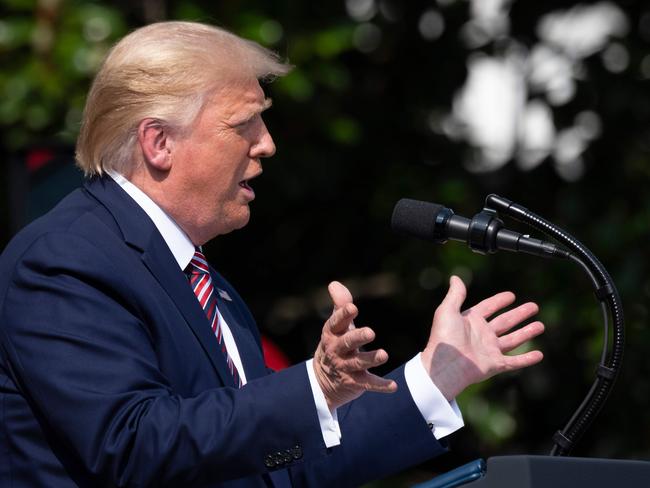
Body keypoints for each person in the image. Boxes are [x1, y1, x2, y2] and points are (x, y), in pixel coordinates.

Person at [0, 21, 544, 488]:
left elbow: (278, 470)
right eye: (242, 125)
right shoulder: (63, 261)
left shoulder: (200, 278)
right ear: (159, 142)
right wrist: (316, 386)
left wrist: (433, 377)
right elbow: (132, 445)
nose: (267, 143)